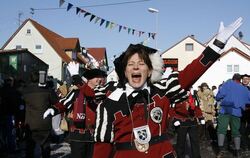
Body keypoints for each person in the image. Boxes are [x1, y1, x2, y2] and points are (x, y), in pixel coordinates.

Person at [90, 17, 243, 158]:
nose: (136, 67)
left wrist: (217, 44)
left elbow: (191, 73)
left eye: (141, 63)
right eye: (130, 64)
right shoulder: (108, 105)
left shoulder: (162, 90)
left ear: (150, 71)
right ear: (125, 72)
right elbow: (102, 148)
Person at [43, 67, 107, 158]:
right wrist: (54, 109)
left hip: (95, 135)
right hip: (78, 136)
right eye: (96, 77)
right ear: (89, 80)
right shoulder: (76, 92)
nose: (100, 79)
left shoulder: (101, 93)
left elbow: (91, 95)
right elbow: (64, 103)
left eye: (101, 77)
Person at [21, 71, 59, 158]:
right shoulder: (47, 90)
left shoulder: (25, 90)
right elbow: (56, 102)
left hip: (30, 123)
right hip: (44, 123)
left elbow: (21, 104)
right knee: (45, 147)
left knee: (30, 147)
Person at [215, 73, 250, 158]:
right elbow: (248, 101)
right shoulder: (244, 89)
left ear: (232, 78)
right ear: (240, 80)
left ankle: (220, 151)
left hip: (225, 111)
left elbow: (218, 97)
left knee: (221, 130)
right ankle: (237, 152)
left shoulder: (227, 84)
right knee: (236, 132)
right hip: (236, 112)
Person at [170, 90, 205, 158]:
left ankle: (197, 156)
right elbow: (172, 110)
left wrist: (200, 118)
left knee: (195, 141)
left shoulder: (192, 98)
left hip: (192, 121)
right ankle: (180, 156)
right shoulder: (177, 99)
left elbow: (196, 108)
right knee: (181, 141)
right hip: (181, 122)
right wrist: (175, 120)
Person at [239, 74, 250, 151]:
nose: (245, 80)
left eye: (247, 79)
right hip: (241, 111)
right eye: (244, 79)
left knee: (248, 129)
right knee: (242, 129)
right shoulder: (238, 88)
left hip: (249, 112)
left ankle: (246, 142)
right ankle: (244, 145)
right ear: (242, 80)